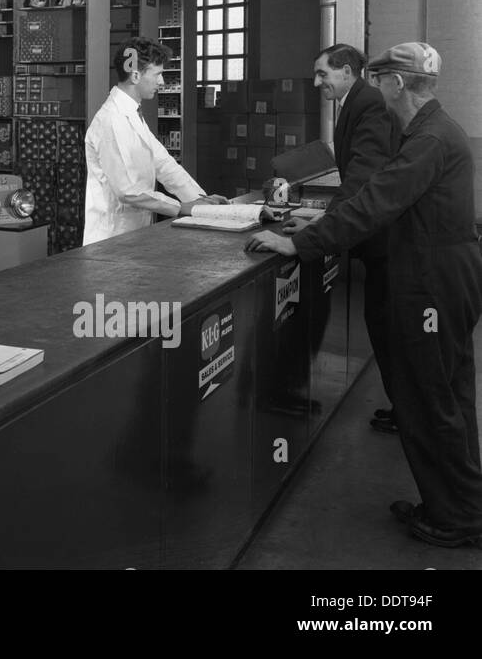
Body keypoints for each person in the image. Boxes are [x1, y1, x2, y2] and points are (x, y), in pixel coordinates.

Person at [248, 42, 482, 548]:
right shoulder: (433, 131)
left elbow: (376, 200)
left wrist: (299, 241)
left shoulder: (428, 141)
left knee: (429, 397)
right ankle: (460, 503)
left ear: (396, 83)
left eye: (380, 80)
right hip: (442, 274)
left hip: (430, 282)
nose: (377, 89)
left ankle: (457, 517)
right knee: (447, 393)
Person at [304, 44, 400, 433]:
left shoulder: (369, 105)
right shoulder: (355, 102)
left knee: (388, 325)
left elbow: (362, 177)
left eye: (323, 74)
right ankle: (404, 407)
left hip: (386, 242)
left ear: (346, 71)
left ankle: (407, 411)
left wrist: (324, 225)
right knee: (381, 322)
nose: (317, 82)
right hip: (377, 239)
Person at [83, 37, 225, 245]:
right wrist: (180, 207)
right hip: (110, 238)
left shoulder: (132, 114)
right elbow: (128, 191)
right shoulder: (112, 120)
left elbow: (163, 164)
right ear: (135, 75)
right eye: (157, 74)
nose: (162, 82)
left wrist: (199, 200)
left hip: (132, 236)